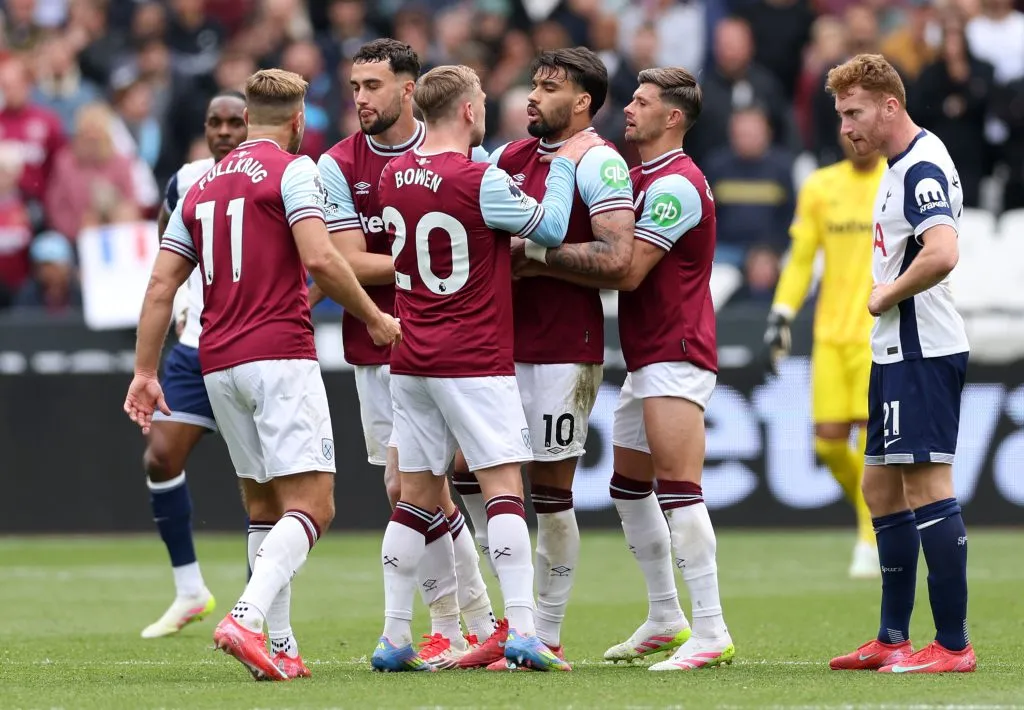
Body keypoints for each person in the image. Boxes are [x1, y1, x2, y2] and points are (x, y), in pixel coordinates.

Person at [124, 68, 401, 681]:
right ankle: (246, 617)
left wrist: (145, 372)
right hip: (277, 353)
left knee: (263, 506)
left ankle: (279, 648)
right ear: (299, 121)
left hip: (216, 361)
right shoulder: (294, 170)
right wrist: (376, 318)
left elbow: (161, 284)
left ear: (245, 119)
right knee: (315, 505)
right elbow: (321, 258)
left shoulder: (199, 186)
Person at [372, 64, 601, 673]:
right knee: (503, 490)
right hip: (473, 357)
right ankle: (524, 630)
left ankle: (395, 636)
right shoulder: (480, 179)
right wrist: (563, 167)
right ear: (470, 112)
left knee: (414, 498)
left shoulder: (394, 173)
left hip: (411, 356)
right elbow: (551, 227)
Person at [515, 67, 736, 671]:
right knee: (628, 486)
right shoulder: (641, 176)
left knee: (680, 488)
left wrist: (533, 258)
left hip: (677, 350)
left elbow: (627, 270)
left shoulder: (677, 186)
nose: (629, 110)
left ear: (673, 117)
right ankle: (666, 616)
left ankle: (711, 629)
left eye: (641, 103)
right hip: (646, 354)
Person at [315, 39, 496, 669]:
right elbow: (342, 259)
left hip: (455, 342)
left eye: (372, 86)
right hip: (379, 342)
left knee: (421, 486)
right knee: (410, 490)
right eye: (355, 87)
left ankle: (459, 624)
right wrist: (432, 253)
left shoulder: (457, 147)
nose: (360, 98)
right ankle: (477, 623)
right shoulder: (339, 163)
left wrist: (416, 255)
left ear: (408, 89)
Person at [455, 46, 635, 669]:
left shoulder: (600, 164)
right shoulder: (508, 156)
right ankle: (508, 620)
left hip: (563, 349)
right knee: (462, 473)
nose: (532, 96)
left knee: (551, 493)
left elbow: (618, 260)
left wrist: (537, 259)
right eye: (533, 83)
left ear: (582, 102)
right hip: (494, 345)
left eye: (549, 87)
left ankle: (547, 633)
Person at [825, 54, 975, 674]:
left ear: (890, 105)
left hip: (922, 347)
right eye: (840, 114)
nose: (846, 126)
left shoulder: (920, 167)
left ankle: (953, 645)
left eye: (854, 112)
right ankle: (892, 637)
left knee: (927, 487)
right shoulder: (895, 166)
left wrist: (885, 293)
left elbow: (942, 251)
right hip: (894, 349)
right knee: (878, 487)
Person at [138, 90, 246, 640]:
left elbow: (317, 255)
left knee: (268, 483)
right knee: (161, 457)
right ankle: (189, 590)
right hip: (197, 344)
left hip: (256, 344)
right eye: (215, 122)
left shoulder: (282, 175)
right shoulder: (186, 179)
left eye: (235, 122)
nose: (224, 131)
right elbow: (166, 241)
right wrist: (181, 298)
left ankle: (262, 609)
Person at [763, 129, 886, 580]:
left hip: (877, 332)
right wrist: (781, 312)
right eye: (846, 121)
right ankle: (883, 512)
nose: (855, 133)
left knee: (872, 446)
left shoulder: (896, 181)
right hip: (830, 335)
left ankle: (869, 541)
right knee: (829, 443)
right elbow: (801, 258)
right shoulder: (820, 186)